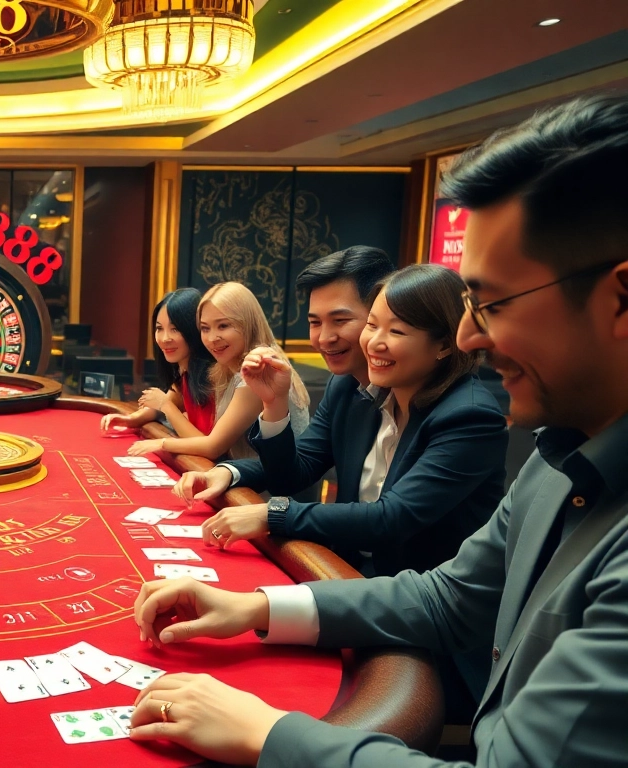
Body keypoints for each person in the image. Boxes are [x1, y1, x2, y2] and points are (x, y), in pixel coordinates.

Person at [127, 94, 628, 768]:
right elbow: (447, 595)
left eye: (493, 303)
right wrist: (255, 608)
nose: (469, 334)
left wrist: (269, 734)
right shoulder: (559, 453)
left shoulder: (491, 416)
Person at [179, 260, 508, 578]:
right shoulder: (352, 387)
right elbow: (297, 470)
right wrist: (268, 411)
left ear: (445, 345)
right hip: (346, 569)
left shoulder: (470, 416)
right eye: (372, 326)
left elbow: (391, 518)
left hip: (420, 597)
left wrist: (272, 515)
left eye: (396, 330)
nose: (375, 343)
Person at [129, 282, 309, 461]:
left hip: (269, 486)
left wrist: (161, 443)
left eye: (223, 326)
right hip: (245, 476)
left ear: (247, 323)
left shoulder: (259, 370)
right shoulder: (224, 367)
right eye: (205, 328)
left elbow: (213, 447)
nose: (212, 338)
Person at [101, 288, 216, 437]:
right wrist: (129, 420)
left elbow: (208, 445)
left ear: (194, 330)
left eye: (175, 329)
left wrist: (164, 404)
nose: (164, 338)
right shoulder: (185, 372)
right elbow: (162, 407)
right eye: (159, 328)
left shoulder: (216, 376)